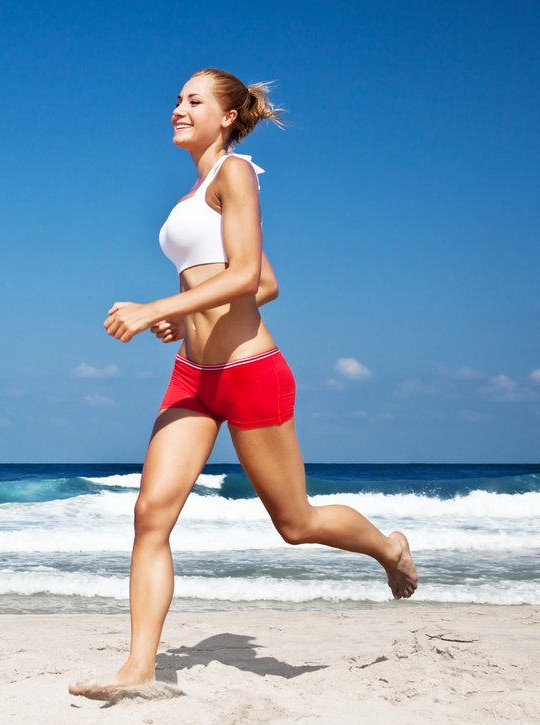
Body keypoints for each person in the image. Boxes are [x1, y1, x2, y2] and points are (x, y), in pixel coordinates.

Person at [69, 68, 418, 700]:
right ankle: (139, 669)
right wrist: (183, 316)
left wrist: (155, 309)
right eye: (176, 99)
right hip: (193, 379)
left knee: (296, 523)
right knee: (150, 516)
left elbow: (249, 273)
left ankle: (388, 548)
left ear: (227, 116)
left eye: (193, 101)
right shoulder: (192, 195)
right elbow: (264, 283)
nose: (178, 109)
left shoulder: (235, 173)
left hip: (250, 373)